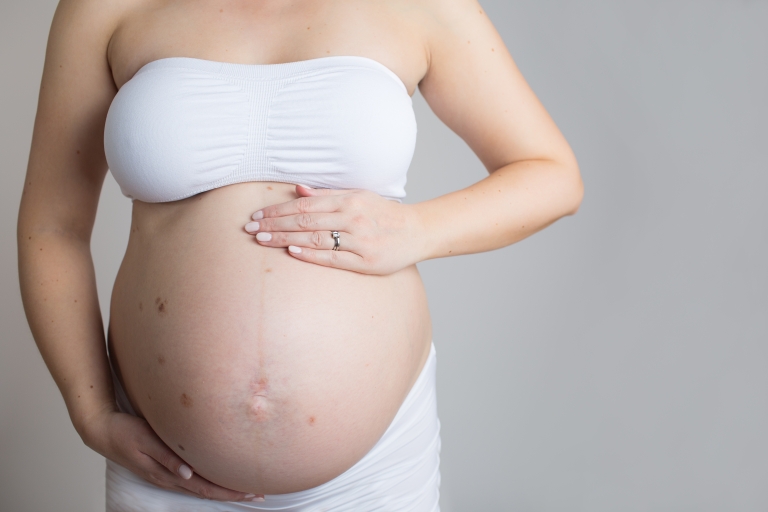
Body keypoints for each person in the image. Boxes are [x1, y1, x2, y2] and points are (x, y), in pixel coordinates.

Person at [17, 0, 583, 509]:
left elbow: (552, 174)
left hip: (375, 476)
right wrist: (90, 412)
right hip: (164, 470)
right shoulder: (104, 8)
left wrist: (417, 228)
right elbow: (52, 226)